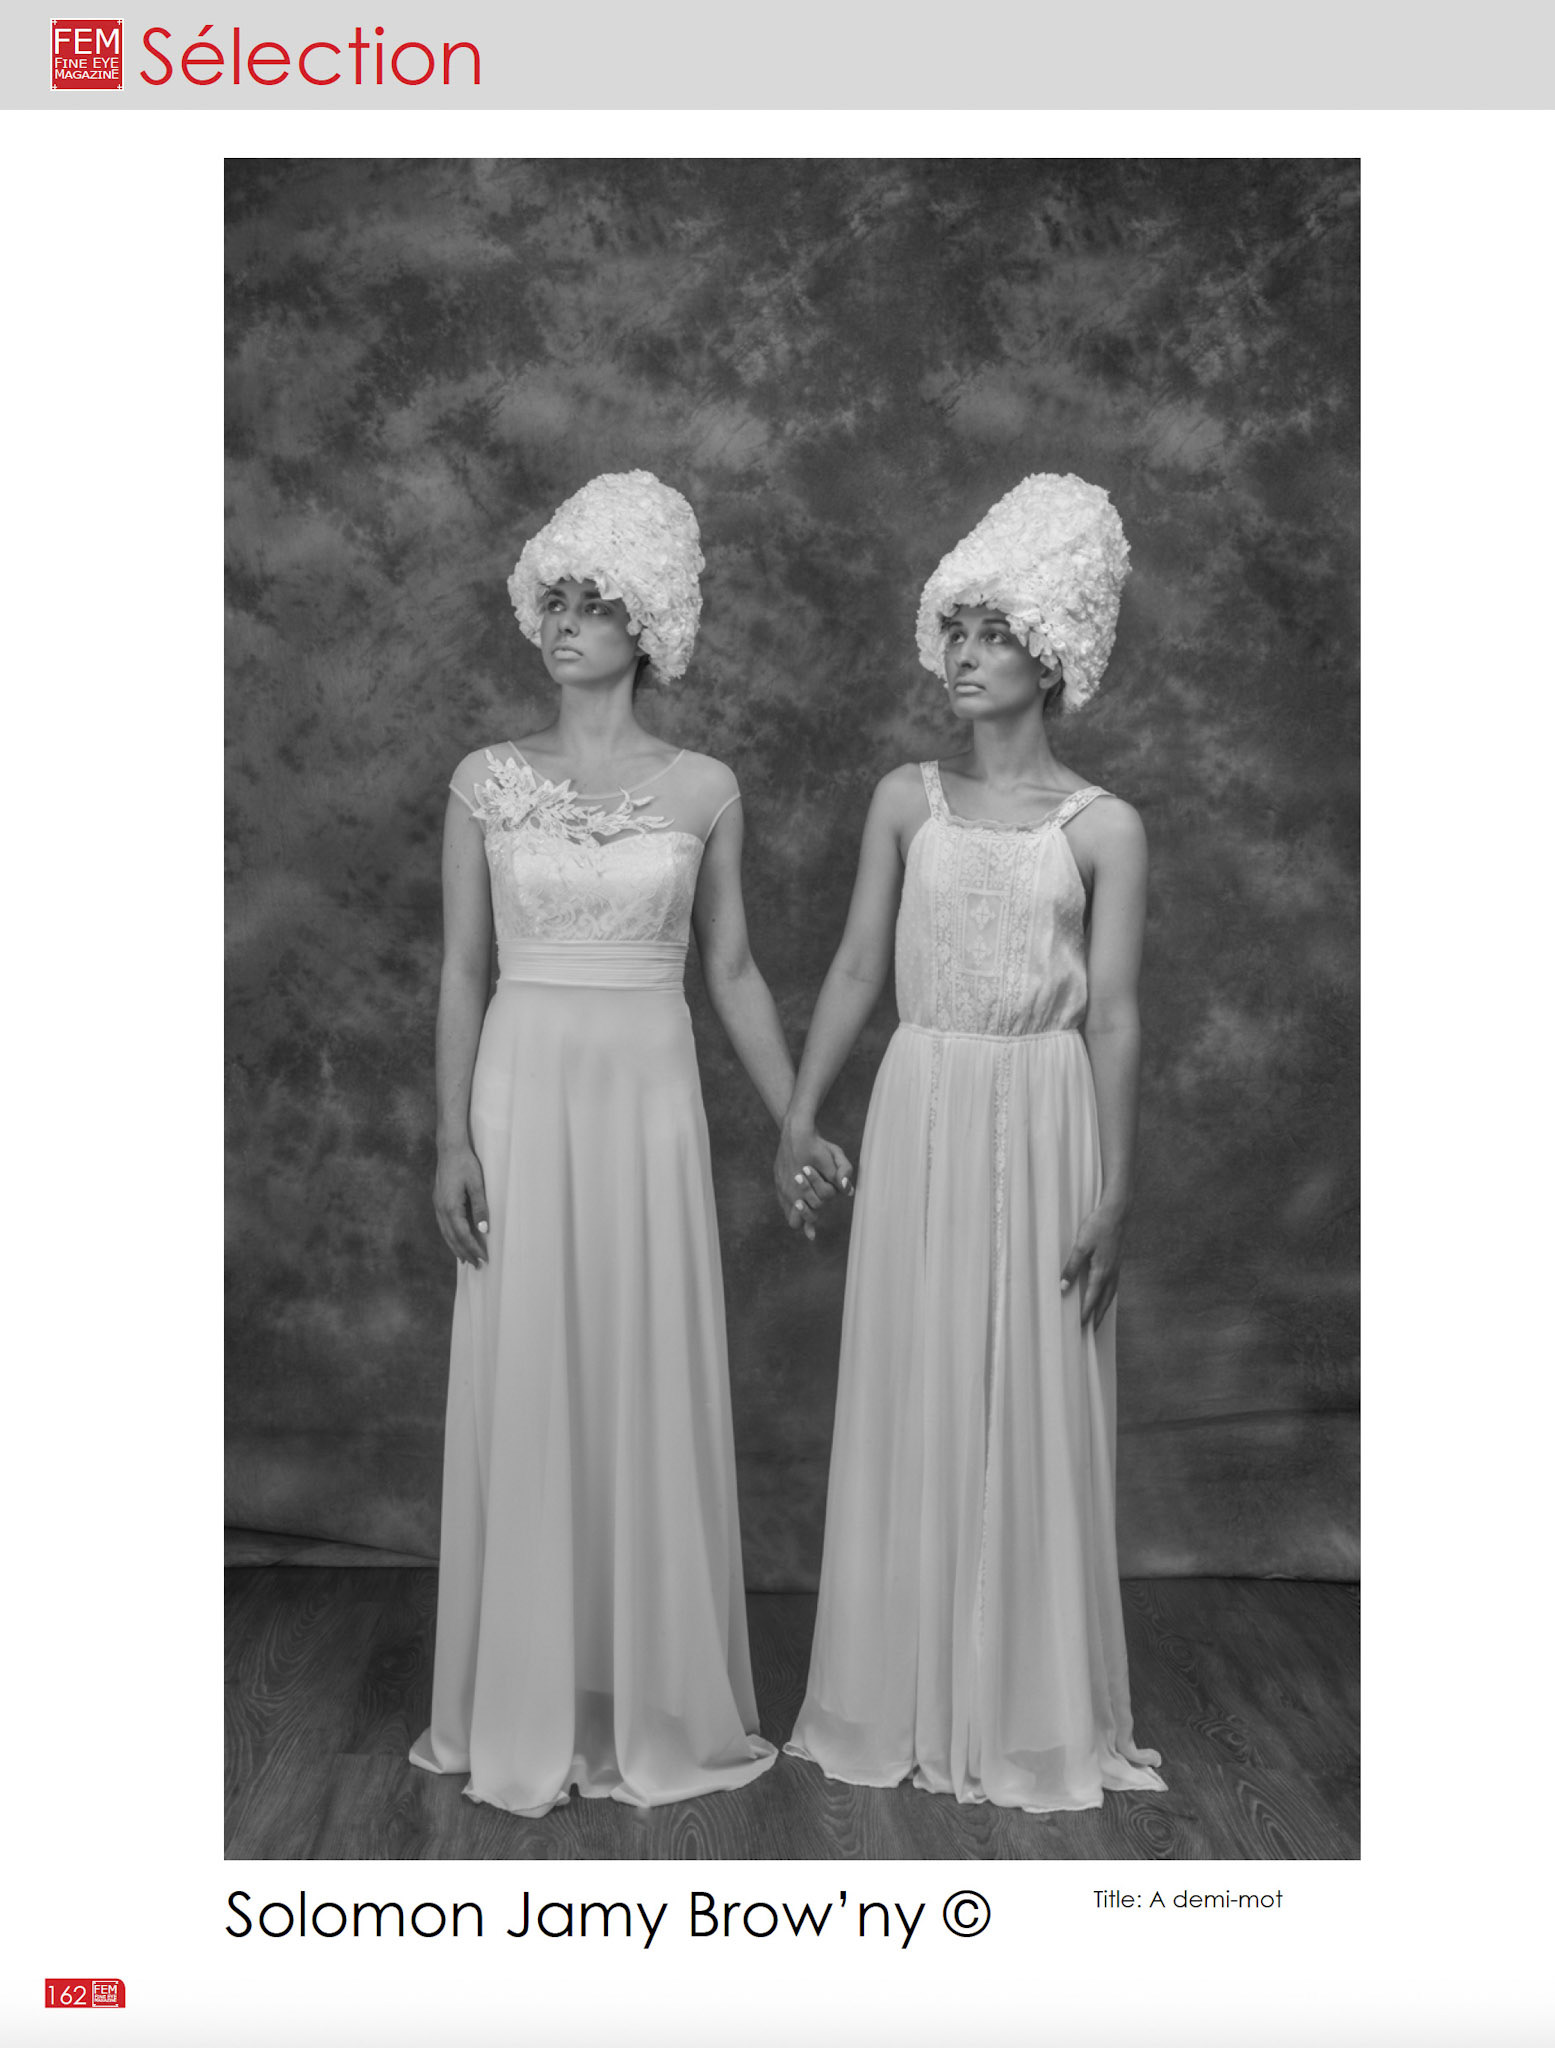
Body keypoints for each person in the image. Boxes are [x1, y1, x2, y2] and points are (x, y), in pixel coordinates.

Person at [411, 470, 847, 1815]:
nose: (564, 623)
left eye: (594, 604)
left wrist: (795, 1115)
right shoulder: (484, 782)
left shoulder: (705, 787)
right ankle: (524, 1697)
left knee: (638, 1361)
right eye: (552, 598)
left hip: (647, 1098)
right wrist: (449, 1139)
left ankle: (648, 1689)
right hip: (521, 1089)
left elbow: (733, 971)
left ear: (648, 624)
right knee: (530, 1364)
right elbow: (462, 971)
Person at [778, 473, 1167, 1813]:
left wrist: (1116, 1191)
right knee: (918, 1373)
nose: (965, 655)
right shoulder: (906, 800)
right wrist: (801, 1111)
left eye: (996, 635)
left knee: (1031, 1390)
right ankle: (901, 1687)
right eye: (956, 629)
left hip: (1047, 1109)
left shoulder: (1104, 828)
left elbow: (1115, 1016)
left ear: (1051, 656)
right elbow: (853, 968)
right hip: (925, 1097)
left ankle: (1023, 1705)